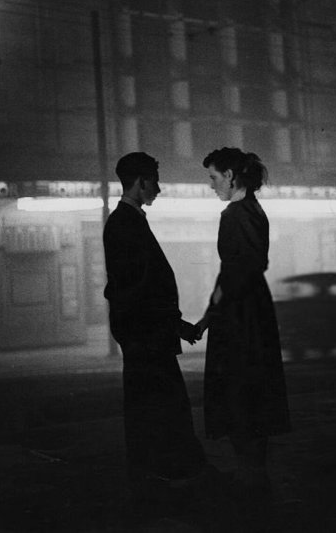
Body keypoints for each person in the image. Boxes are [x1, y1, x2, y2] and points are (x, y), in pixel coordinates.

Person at [102, 151, 208, 504]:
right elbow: (135, 287)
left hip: (146, 335)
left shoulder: (128, 221)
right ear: (141, 182)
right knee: (162, 408)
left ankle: (166, 474)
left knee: (155, 408)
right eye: (155, 181)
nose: (159, 189)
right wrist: (170, 324)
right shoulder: (124, 224)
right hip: (146, 338)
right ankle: (170, 476)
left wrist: (173, 325)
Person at [195, 147, 290, 491]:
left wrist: (211, 314)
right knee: (255, 391)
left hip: (238, 314)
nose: (211, 185)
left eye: (214, 177)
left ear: (231, 176)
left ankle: (248, 475)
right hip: (255, 309)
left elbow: (233, 272)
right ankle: (255, 471)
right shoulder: (255, 211)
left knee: (235, 391)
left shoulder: (234, 214)